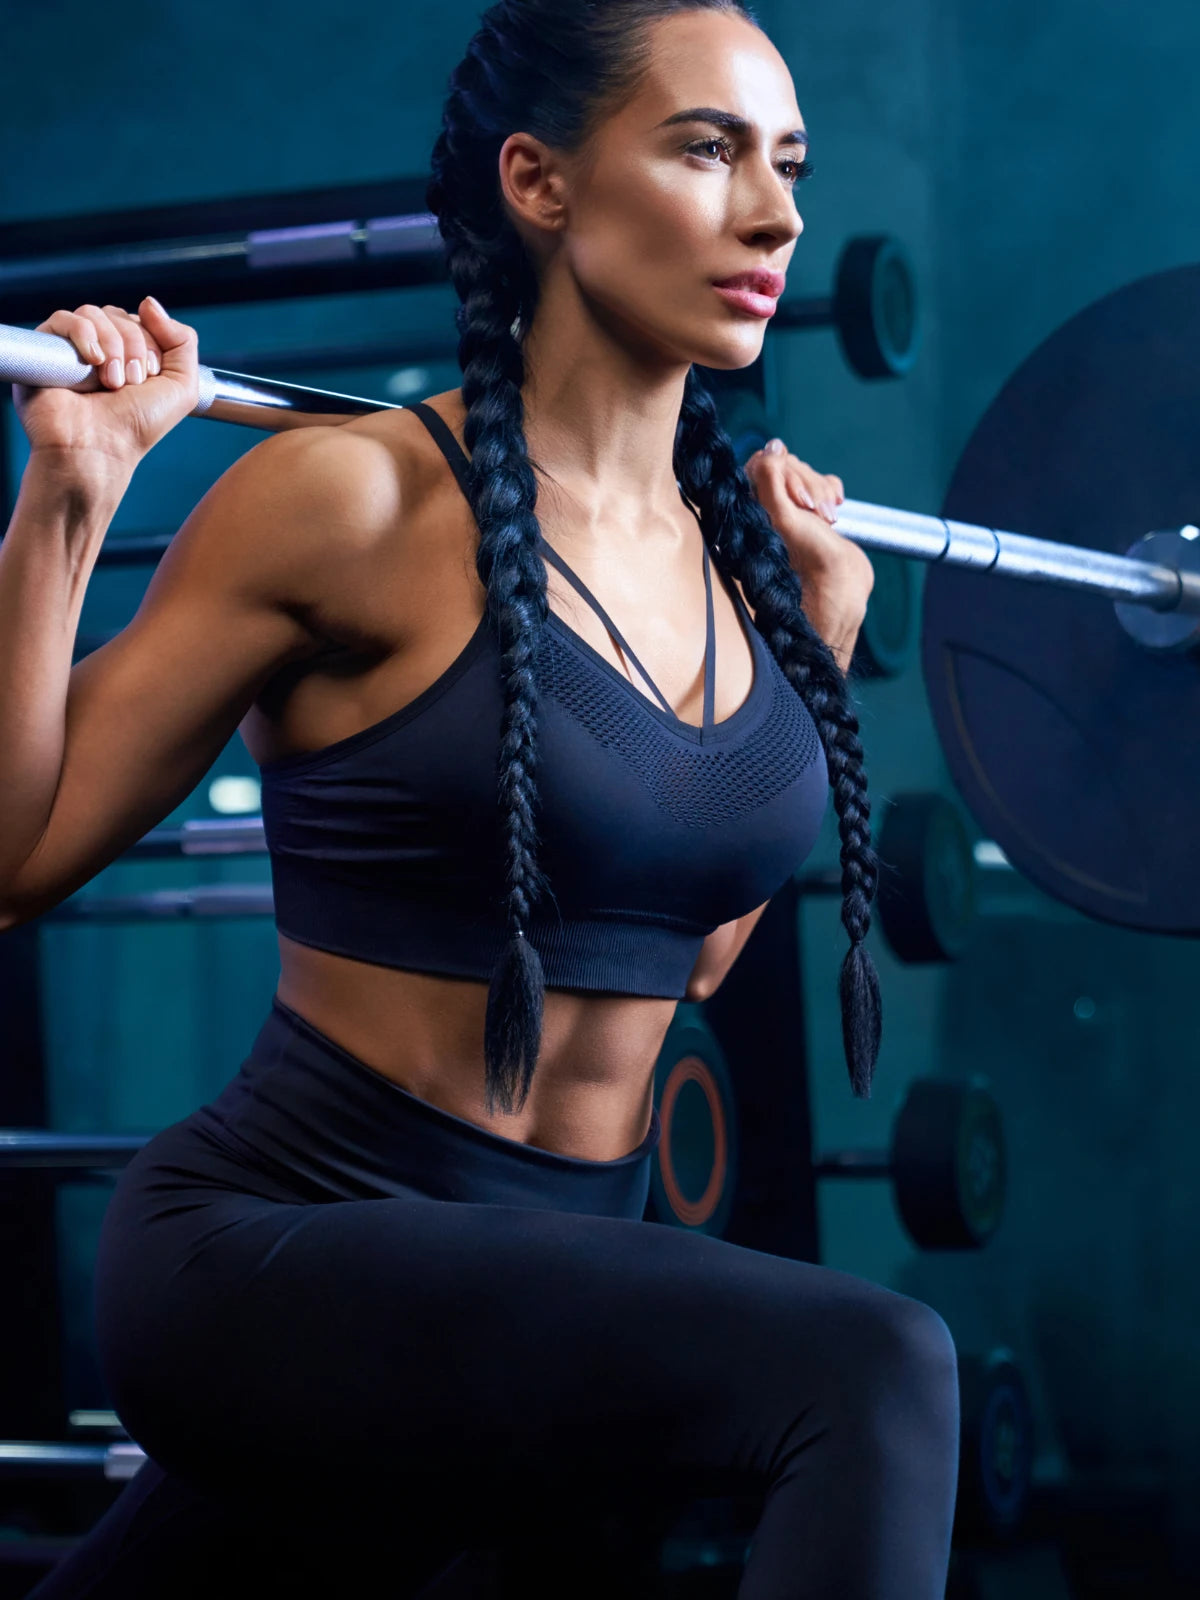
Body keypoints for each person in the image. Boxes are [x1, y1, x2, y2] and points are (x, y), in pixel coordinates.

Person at [1, 1, 960, 1595]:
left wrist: (821, 634)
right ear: (542, 182)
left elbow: (692, 958)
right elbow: (15, 860)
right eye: (707, 149)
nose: (778, 213)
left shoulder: (744, 571)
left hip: (542, 1278)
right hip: (276, 1254)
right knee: (873, 1369)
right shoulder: (354, 494)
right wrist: (71, 501)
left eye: (788, 161)